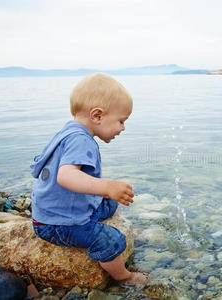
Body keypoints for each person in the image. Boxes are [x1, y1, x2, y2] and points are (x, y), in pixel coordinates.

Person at [30, 73, 148, 286]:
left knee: (110, 202)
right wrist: (107, 187)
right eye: (121, 121)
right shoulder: (80, 140)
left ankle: (122, 226)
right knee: (111, 240)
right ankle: (124, 277)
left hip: (60, 211)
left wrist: (108, 193)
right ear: (97, 116)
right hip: (58, 223)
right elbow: (66, 176)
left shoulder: (69, 132)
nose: (123, 128)